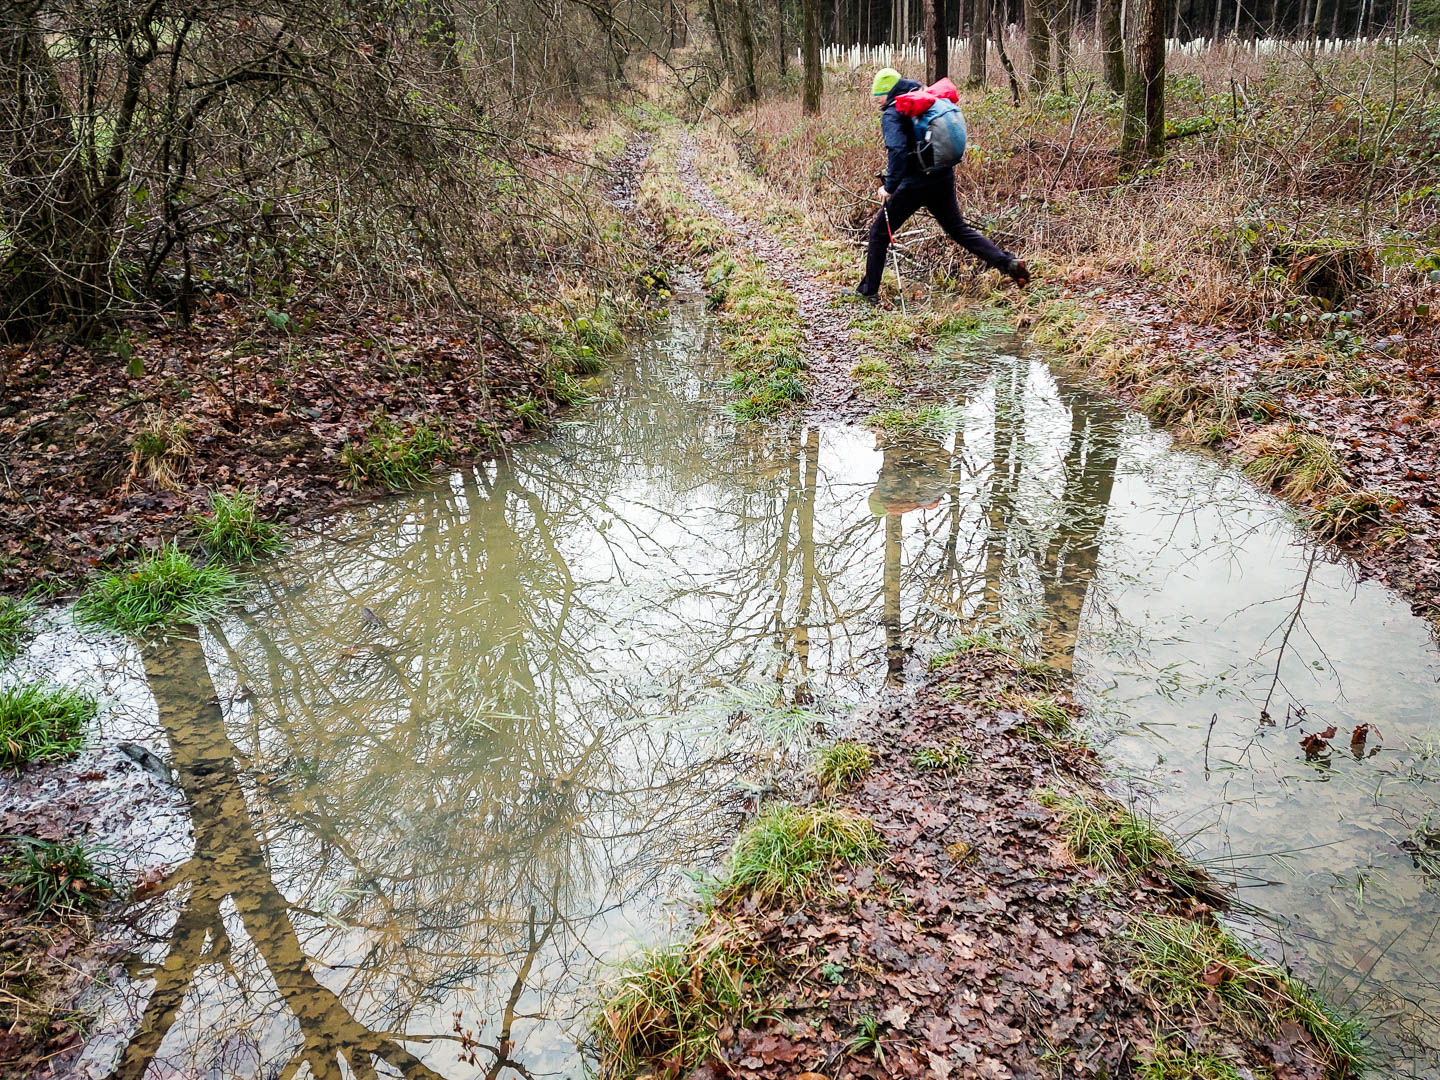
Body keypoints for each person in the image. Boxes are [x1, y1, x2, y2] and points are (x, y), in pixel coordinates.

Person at [856, 68, 1029, 304]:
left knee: (878, 233)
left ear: (888, 92)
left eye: (878, 94)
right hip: (942, 177)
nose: (876, 99)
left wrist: (889, 187)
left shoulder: (893, 112)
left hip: (915, 184)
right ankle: (1006, 262)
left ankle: (869, 292)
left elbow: (897, 151)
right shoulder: (923, 97)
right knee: (958, 229)